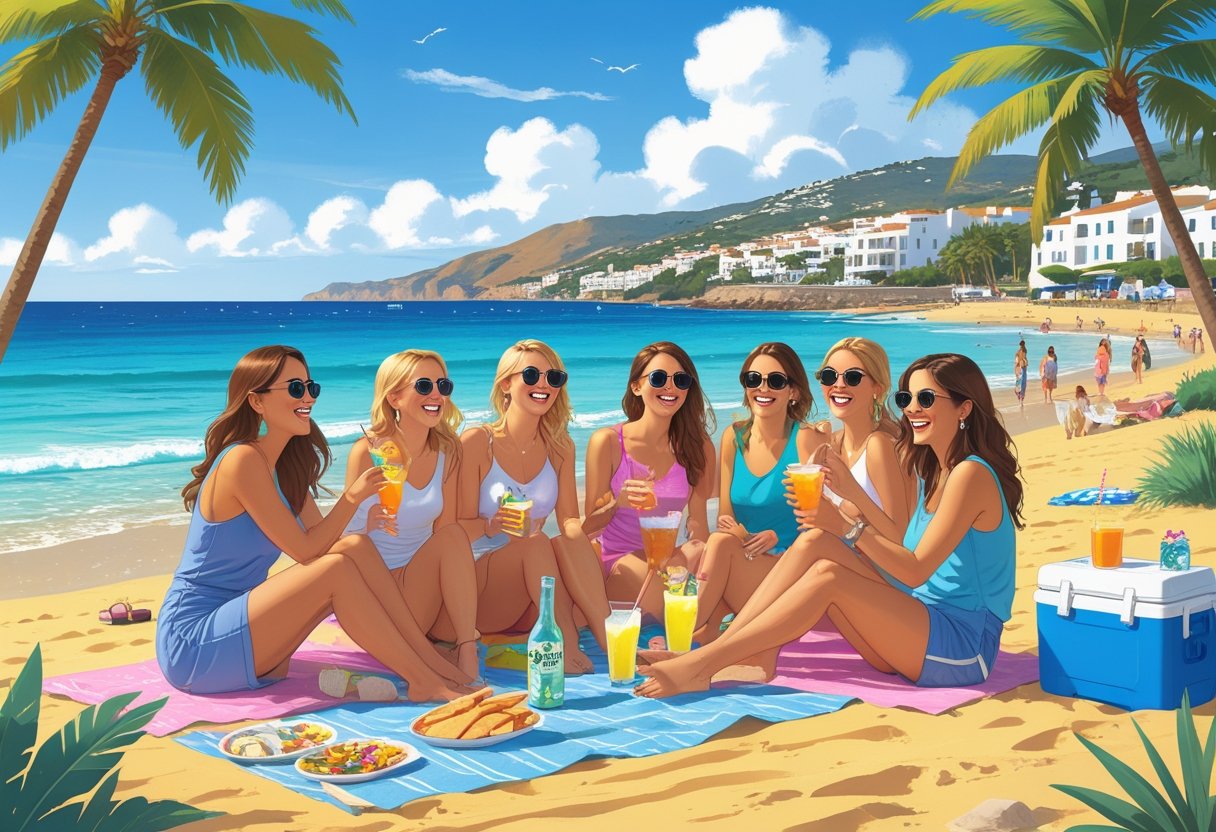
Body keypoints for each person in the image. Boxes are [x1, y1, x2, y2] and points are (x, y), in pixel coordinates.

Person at [634, 353, 1023, 698]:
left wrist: (848, 527)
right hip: (914, 625)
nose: (911, 410)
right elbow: (903, 550)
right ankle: (734, 655)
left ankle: (701, 664)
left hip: (961, 646)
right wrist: (843, 504)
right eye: (906, 400)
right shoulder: (935, 471)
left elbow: (916, 567)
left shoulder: (971, 476)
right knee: (817, 541)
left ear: (964, 408)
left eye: (925, 400)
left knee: (829, 575)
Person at [156, 346, 471, 701]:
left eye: (311, 388)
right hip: (194, 640)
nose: (308, 398)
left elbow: (328, 542)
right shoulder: (241, 460)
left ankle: (430, 664)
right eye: (295, 389)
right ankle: (423, 679)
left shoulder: (288, 467)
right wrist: (352, 498)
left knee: (355, 547)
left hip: (244, 625)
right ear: (256, 401)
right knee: (337, 568)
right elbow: (305, 551)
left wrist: (362, 527)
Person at [336, 350, 480, 681]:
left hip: (422, 590)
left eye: (443, 385)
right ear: (394, 397)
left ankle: (458, 647)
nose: (437, 395)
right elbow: (344, 545)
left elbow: (445, 536)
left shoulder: (448, 451)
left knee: (460, 548)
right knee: (456, 543)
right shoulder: (369, 452)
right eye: (424, 385)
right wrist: (366, 519)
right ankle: (459, 657)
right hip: (379, 592)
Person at [459, 340, 595, 673]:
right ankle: (565, 646)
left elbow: (568, 521)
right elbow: (450, 529)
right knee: (535, 542)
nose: (543, 385)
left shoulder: (561, 446)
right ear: (506, 383)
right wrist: (492, 525)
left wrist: (583, 542)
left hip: (523, 592)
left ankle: (518, 640)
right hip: (475, 586)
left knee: (571, 562)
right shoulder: (477, 442)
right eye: (532, 375)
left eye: (554, 378)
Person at [690, 342, 830, 642]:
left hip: (792, 569)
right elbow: (726, 520)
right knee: (719, 542)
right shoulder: (733, 437)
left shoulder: (805, 440)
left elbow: (823, 524)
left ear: (793, 391)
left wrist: (779, 538)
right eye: (754, 380)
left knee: (718, 548)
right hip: (743, 558)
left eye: (776, 381)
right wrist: (746, 539)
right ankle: (698, 632)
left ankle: (684, 635)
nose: (762, 389)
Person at [584, 342, 716, 622]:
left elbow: (698, 527)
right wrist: (617, 503)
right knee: (679, 608)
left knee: (711, 558)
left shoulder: (698, 446)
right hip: (619, 560)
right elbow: (587, 527)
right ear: (636, 387)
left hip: (668, 557)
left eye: (680, 381)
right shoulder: (607, 442)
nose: (671, 388)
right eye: (658, 379)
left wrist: (686, 563)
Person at [1013, 341, 1028, 410]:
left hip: (1022, 372)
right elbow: (1016, 364)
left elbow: (1017, 364)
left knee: (1022, 386)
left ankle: (1021, 401)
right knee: (1021, 386)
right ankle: (1021, 401)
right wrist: (1016, 372)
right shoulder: (1019, 354)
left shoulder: (1023, 353)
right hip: (1020, 371)